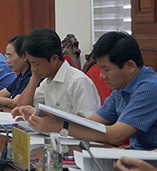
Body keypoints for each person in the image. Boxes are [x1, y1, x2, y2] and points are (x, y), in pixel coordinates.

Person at [25, 31, 157, 151]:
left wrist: (60, 126)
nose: (102, 76)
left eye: (106, 69)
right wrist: (47, 118)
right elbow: (92, 123)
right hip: (137, 153)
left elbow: (116, 135)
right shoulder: (121, 89)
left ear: (130, 66)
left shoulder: (149, 87)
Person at [12, 28, 100, 122]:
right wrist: (34, 79)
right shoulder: (48, 81)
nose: (33, 69)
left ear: (54, 59)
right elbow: (21, 109)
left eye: (36, 63)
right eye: (30, 63)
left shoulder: (78, 81)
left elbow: (89, 124)